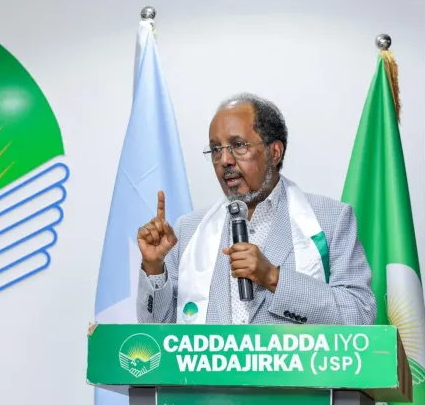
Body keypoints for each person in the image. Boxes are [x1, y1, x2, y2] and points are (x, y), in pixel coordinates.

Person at [136, 93, 376, 325]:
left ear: (274, 152)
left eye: (238, 145)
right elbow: (157, 333)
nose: (225, 160)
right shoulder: (189, 230)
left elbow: (360, 314)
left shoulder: (330, 220)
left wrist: (273, 277)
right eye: (216, 149)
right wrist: (153, 266)